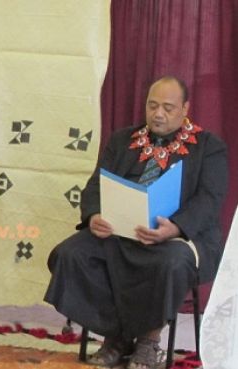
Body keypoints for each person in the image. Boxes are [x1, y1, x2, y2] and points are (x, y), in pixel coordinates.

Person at [44, 76, 227, 369]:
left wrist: (175, 227)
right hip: (118, 232)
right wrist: (94, 217)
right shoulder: (122, 140)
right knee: (71, 254)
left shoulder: (209, 147)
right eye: (152, 105)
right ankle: (115, 336)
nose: (158, 114)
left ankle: (148, 342)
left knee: (171, 262)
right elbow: (95, 187)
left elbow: (210, 199)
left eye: (168, 108)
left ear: (185, 109)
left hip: (176, 238)